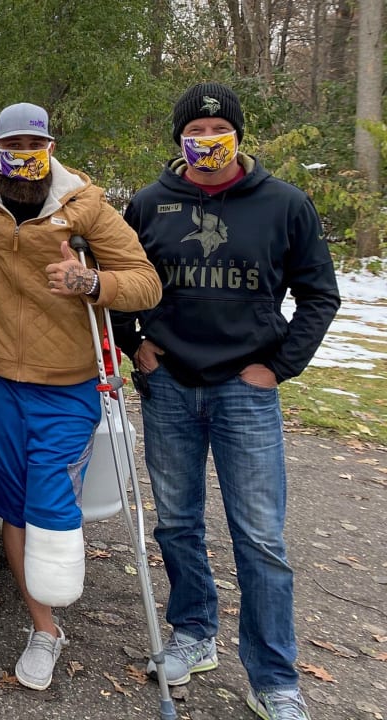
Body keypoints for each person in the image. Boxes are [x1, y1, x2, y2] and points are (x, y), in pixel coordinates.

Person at [116, 82, 339, 720]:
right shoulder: (150, 205)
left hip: (246, 391)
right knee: (178, 523)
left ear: (237, 134)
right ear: (179, 137)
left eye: (219, 129)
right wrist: (138, 347)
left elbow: (319, 295)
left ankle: (273, 678)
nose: (208, 138)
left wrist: (278, 366)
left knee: (261, 538)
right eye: (197, 129)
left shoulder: (284, 205)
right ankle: (194, 631)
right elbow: (122, 281)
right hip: (169, 390)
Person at [0, 103, 161, 691]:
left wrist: (91, 283)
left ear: (51, 148)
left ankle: (51, 615)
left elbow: (146, 282)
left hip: (66, 386)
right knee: (13, 506)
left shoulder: (84, 207)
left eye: (33, 146)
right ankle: (46, 629)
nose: (23, 156)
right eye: (11, 145)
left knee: (49, 505)